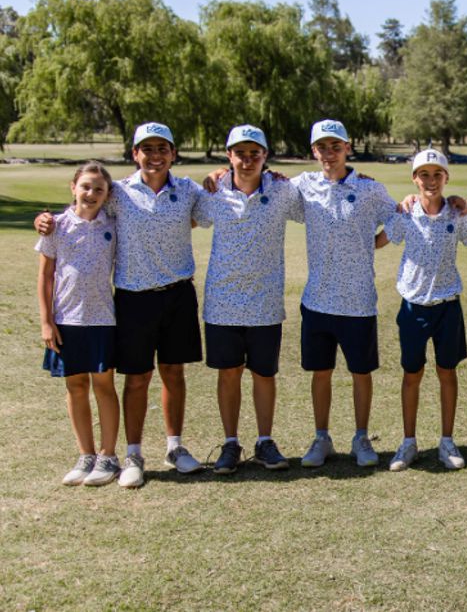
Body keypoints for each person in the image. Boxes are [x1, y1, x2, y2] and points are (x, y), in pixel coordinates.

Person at [204, 119, 396, 469]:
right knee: (318, 373)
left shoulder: (362, 189)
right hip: (315, 300)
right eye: (322, 147)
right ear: (313, 151)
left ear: (347, 147)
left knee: (359, 373)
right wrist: (220, 173)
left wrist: (369, 245)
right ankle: (319, 437)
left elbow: (398, 219)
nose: (329, 153)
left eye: (336, 146)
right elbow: (241, 187)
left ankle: (361, 437)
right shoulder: (298, 186)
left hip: (357, 299)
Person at [35, 123, 205, 488]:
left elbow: (211, 207)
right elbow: (84, 205)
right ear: (135, 154)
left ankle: (175, 447)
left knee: (174, 372)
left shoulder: (189, 190)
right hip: (132, 298)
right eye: (147, 148)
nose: (155, 155)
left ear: (173, 153)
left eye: (163, 148)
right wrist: (46, 220)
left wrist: (223, 175)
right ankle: (132, 454)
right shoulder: (119, 193)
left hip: (178, 294)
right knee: (138, 377)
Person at [375, 149, 467, 471]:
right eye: (423, 175)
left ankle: (446, 441)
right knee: (412, 374)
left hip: (447, 308)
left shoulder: (457, 215)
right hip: (413, 307)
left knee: (447, 372)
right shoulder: (405, 213)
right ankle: (409, 442)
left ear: (446, 178)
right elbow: (379, 241)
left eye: (437, 174)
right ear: (414, 179)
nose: (430, 181)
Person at [194, 125, 303, 473]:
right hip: (223, 302)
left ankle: (265, 442)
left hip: (265, 302)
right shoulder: (212, 193)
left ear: (265, 156)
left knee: (263, 374)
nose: (247, 159)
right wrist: (209, 177)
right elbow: (188, 217)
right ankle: (230, 443)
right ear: (229, 156)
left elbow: (320, 196)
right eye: (240, 153)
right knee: (228, 373)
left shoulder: (283, 191)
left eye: (255, 153)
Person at [37, 162, 122, 486]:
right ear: (73, 187)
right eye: (85, 186)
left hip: (102, 318)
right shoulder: (56, 226)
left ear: (107, 195)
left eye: (99, 189)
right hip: (65, 320)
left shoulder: (112, 226)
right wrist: (47, 322)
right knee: (75, 387)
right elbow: (45, 276)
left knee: (103, 386)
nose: (91, 193)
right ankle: (85, 454)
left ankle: (108, 455)